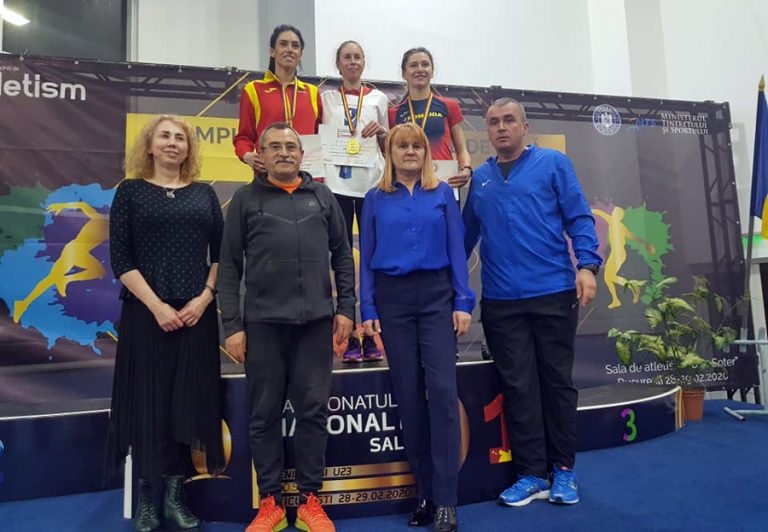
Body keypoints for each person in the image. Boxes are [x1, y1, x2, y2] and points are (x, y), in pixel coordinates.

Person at [463, 98, 601, 508]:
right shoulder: (481, 179)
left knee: (556, 384)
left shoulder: (553, 164)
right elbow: (463, 237)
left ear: (525, 127)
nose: (501, 127)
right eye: (493, 122)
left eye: (509, 120)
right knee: (518, 388)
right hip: (501, 301)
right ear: (487, 132)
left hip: (553, 293)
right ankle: (530, 474)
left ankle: (564, 470)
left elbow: (579, 217)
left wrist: (588, 266)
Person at [218, 122, 355, 532]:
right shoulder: (245, 200)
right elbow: (229, 266)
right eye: (274, 146)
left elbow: (342, 256)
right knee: (263, 415)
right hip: (262, 326)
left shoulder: (323, 197)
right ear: (261, 155)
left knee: (313, 413)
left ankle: (311, 500)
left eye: (291, 146)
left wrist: (346, 309)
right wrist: (232, 325)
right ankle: (271, 503)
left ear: (301, 154)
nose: (283, 152)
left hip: (316, 325)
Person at [108, 115, 224, 532]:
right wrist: (157, 306)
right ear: (150, 145)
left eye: (180, 137)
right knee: (149, 405)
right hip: (147, 316)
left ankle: (176, 497)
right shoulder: (129, 192)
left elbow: (221, 256)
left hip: (196, 316)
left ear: (189, 148)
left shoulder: (205, 195)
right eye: (164, 136)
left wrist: (204, 298)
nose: (173, 143)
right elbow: (121, 258)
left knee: (187, 406)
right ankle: (147, 499)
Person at [360, 123, 475, 532]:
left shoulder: (442, 193)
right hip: (392, 302)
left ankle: (446, 499)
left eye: (417, 146)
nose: (409, 151)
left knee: (442, 394)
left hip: (436, 298)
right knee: (408, 397)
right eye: (401, 146)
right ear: (389, 153)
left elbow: (457, 251)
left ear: (426, 153)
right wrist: (367, 307)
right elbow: (366, 256)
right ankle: (424, 493)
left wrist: (462, 302)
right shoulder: (374, 199)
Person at [320, 40, 388, 363]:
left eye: (357, 57)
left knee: (373, 256)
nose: (352, 62)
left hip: (371, 185)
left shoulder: (379, 99)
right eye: (346, 57)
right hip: (337, 186)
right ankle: (347, 335)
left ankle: (372, 332)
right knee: (343, 259)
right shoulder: (325, 98)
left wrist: (382, 132)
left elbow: (388, 145)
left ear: (364, 62)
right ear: (338, 64)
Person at [234, 24, 322, 174]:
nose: (290, 49)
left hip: (306, 175)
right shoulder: (254, 89)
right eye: (283, 44)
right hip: (268, 175)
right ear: (272, 51)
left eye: (295, 46)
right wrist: (246, 154)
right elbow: (244, 136)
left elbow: (323, 136)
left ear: (300, 54)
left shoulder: (312, 92)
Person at [389, 47, 472, 193]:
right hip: (408, 184)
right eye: (413, 65)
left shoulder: (449, 106)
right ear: (404, 74)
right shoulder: (394, 113)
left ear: (432, 72)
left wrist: (466, 169)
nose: (420, 69)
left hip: (443, 181)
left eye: (425, 64)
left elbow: (462, 150)